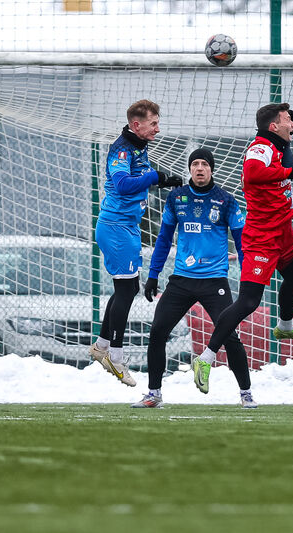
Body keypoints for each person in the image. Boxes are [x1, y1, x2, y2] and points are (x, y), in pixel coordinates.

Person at [192, 102, 293, 394]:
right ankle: (206, 358)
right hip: (261, 237)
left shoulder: (280, 146)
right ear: (273, 127)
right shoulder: (260, 148)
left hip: (282, 232)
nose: (292, 124)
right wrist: (291, 174)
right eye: (287, 120)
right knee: (249, 303)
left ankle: (285, 325)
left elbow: (291, 162)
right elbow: (254, 174)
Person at [134, 148, 256, 408]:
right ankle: (153, 393)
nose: (199, 168)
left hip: (215, 281)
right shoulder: (176, 198)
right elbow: (164, 239)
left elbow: (242, 241)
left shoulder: (226, 200)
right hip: (182, 280)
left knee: (230, 336)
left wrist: (248, 278)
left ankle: (246, 394)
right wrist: (153, 275)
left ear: (212, 169)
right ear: (190, 169)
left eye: (204, 164)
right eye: (195, 164)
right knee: (157, 331)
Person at [89, 100, 182, 387]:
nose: (158, 128)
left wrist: (164, 180)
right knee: (126, 290)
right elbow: (123, 185)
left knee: (128, 287)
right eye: (153, 123)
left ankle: (101, 346)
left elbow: (140, 179)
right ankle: (115, 356)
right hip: (115, 227)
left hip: (127, 227)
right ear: (135, 125)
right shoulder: (120, 148)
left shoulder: (140, 147)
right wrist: (155, 176)